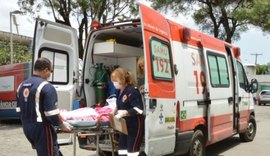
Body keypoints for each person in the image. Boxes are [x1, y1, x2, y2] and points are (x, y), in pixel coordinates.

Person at [16, 57, 73, 156]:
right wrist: (62, 125)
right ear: (46, 70)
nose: (50, 74)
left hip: (27, 128)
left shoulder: (21, 86)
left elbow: (19, 110)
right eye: (50, 71)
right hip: (42, 129)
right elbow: (52, 114)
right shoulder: (47, 86)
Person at [111, 67, 145, 156]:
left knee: (132, 152)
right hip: (125, 125)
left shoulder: (132, 91)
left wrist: (125, 112)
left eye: (115, 80)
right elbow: (120, 104)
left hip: (135, 125)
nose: (114, 83)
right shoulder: (119, 91)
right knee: (122, 150)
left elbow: (139, 109)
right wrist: (115, 110)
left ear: (122, 79)